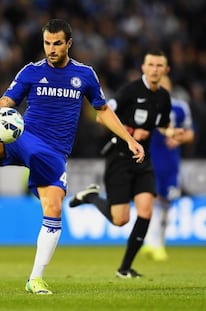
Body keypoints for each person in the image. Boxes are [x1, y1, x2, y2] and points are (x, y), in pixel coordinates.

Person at [0, 19, 144, 294]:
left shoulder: (84, 75)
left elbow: (103, 111)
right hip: (23, 137)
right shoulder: (31, 71)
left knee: (54, 209)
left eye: (57, 43)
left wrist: (128, 139)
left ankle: (35, 278)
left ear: (68, 43)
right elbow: (4, 103)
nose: (51, 49)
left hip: (54, 152)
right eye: (47, 43)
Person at [69, 50, 185, 278]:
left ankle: (125, 268)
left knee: (146, 211)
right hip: (119, 158)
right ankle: (91, 197)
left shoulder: (164, 97)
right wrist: (131, 132)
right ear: (143, 67)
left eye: (159, 66)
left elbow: (160, 125)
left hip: (143, 159)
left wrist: (171, 131)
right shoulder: (130, 92)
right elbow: (101, 115)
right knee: (120, 220)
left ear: (166, 70)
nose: (154, 69)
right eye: (150, 64)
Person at [142, 75, 195, 261]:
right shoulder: (146, 104)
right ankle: (151, 243)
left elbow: (190, 135)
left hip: (171, 164)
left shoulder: (181, 107)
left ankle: (159, 243)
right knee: (152, 200)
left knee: (166, 205)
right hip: (150, 160)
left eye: (165, 84)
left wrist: (178, 138)